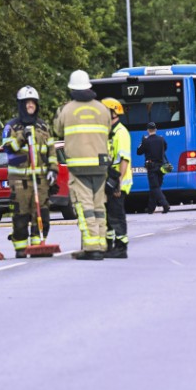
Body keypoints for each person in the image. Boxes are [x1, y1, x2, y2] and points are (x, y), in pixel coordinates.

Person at [53, 70, 111, 260]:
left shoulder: (66, 110)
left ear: (72, 89)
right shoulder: (102, 109)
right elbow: (108, 130)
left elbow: (57, 130)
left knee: (84, 206)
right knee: (99, 206)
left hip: (79, 168)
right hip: (101, 166)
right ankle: (102, 244)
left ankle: (91, 247)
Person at [1, 86, 58, 258]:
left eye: (33, 103)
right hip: (19, 180)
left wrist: (53, 170)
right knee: (21, 215)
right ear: (21, 105)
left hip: (40, 179)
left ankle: (38, 245)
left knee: (42, 213)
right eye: (27, 103)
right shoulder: (11, 126)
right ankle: (20, 248)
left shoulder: (43, 126)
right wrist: (21, 137)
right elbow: (8, 149)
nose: (30, 106)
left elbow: (51, 150)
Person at [102, 98, 132, 258]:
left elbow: (124, 159)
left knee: (116, 215)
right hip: (108, 181)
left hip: (117, 181)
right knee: (108, 216)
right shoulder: (108, 132)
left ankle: (121, 247)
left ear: (113, 112)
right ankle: (109, 246)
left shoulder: (121, 133)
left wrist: (118, 183)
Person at [136, 121, 170, 214]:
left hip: (152, 167)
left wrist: (142, 142)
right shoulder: (161, 139)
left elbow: (138, 152)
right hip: (161, 167)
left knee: (155, 187)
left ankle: (165, 204)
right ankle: (151, 208)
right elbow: (165, 148)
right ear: (156, 129)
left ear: (148, 130)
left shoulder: (146, 141)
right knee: (155, 187)